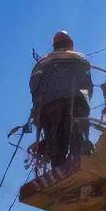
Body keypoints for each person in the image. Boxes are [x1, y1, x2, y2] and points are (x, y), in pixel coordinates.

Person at [28, 30, 93, 168]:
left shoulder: (43, 63)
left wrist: (37, 107)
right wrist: (85, 103)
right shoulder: (78, 59)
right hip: (74, 103)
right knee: (77, 135)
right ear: (70, 44)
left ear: (55, 45)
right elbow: (87, 85)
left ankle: (58, 167)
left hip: (46, 108)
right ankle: (79, 162)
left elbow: (34, 86)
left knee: (55, 142)